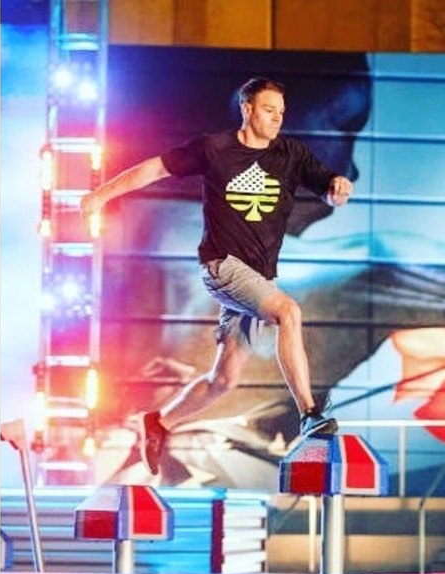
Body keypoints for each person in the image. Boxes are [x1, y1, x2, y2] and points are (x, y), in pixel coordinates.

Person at [80, 77, 353, 475]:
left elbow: (326, 186)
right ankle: (310, 414)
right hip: (223, 267)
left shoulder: (290, 154)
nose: (277, 118)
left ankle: (159, 422)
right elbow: (154, 169)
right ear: (247, 108)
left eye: (281, 112)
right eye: (268, 110)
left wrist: (337, 189)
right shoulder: (214, 148)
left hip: (257, 280)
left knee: (224, 380)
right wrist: (101, 195)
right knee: (288, 312)